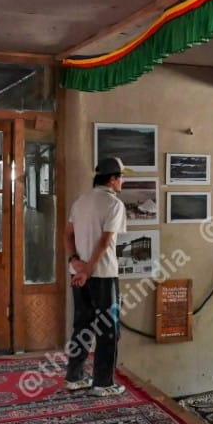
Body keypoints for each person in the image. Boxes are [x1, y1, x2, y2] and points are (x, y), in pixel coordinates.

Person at [63, 156, 129, 396]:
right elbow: (104, 242)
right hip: (102, 275)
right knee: (108, 329)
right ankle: (103, 383)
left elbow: (67, 235)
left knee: (82, 325)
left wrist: (75, 263)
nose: (123, 182)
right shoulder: (114, 205)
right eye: (121, 177)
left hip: (78, 273)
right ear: (112, 179)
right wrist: (89, 271)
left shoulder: (81, 201)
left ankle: (75, 377)